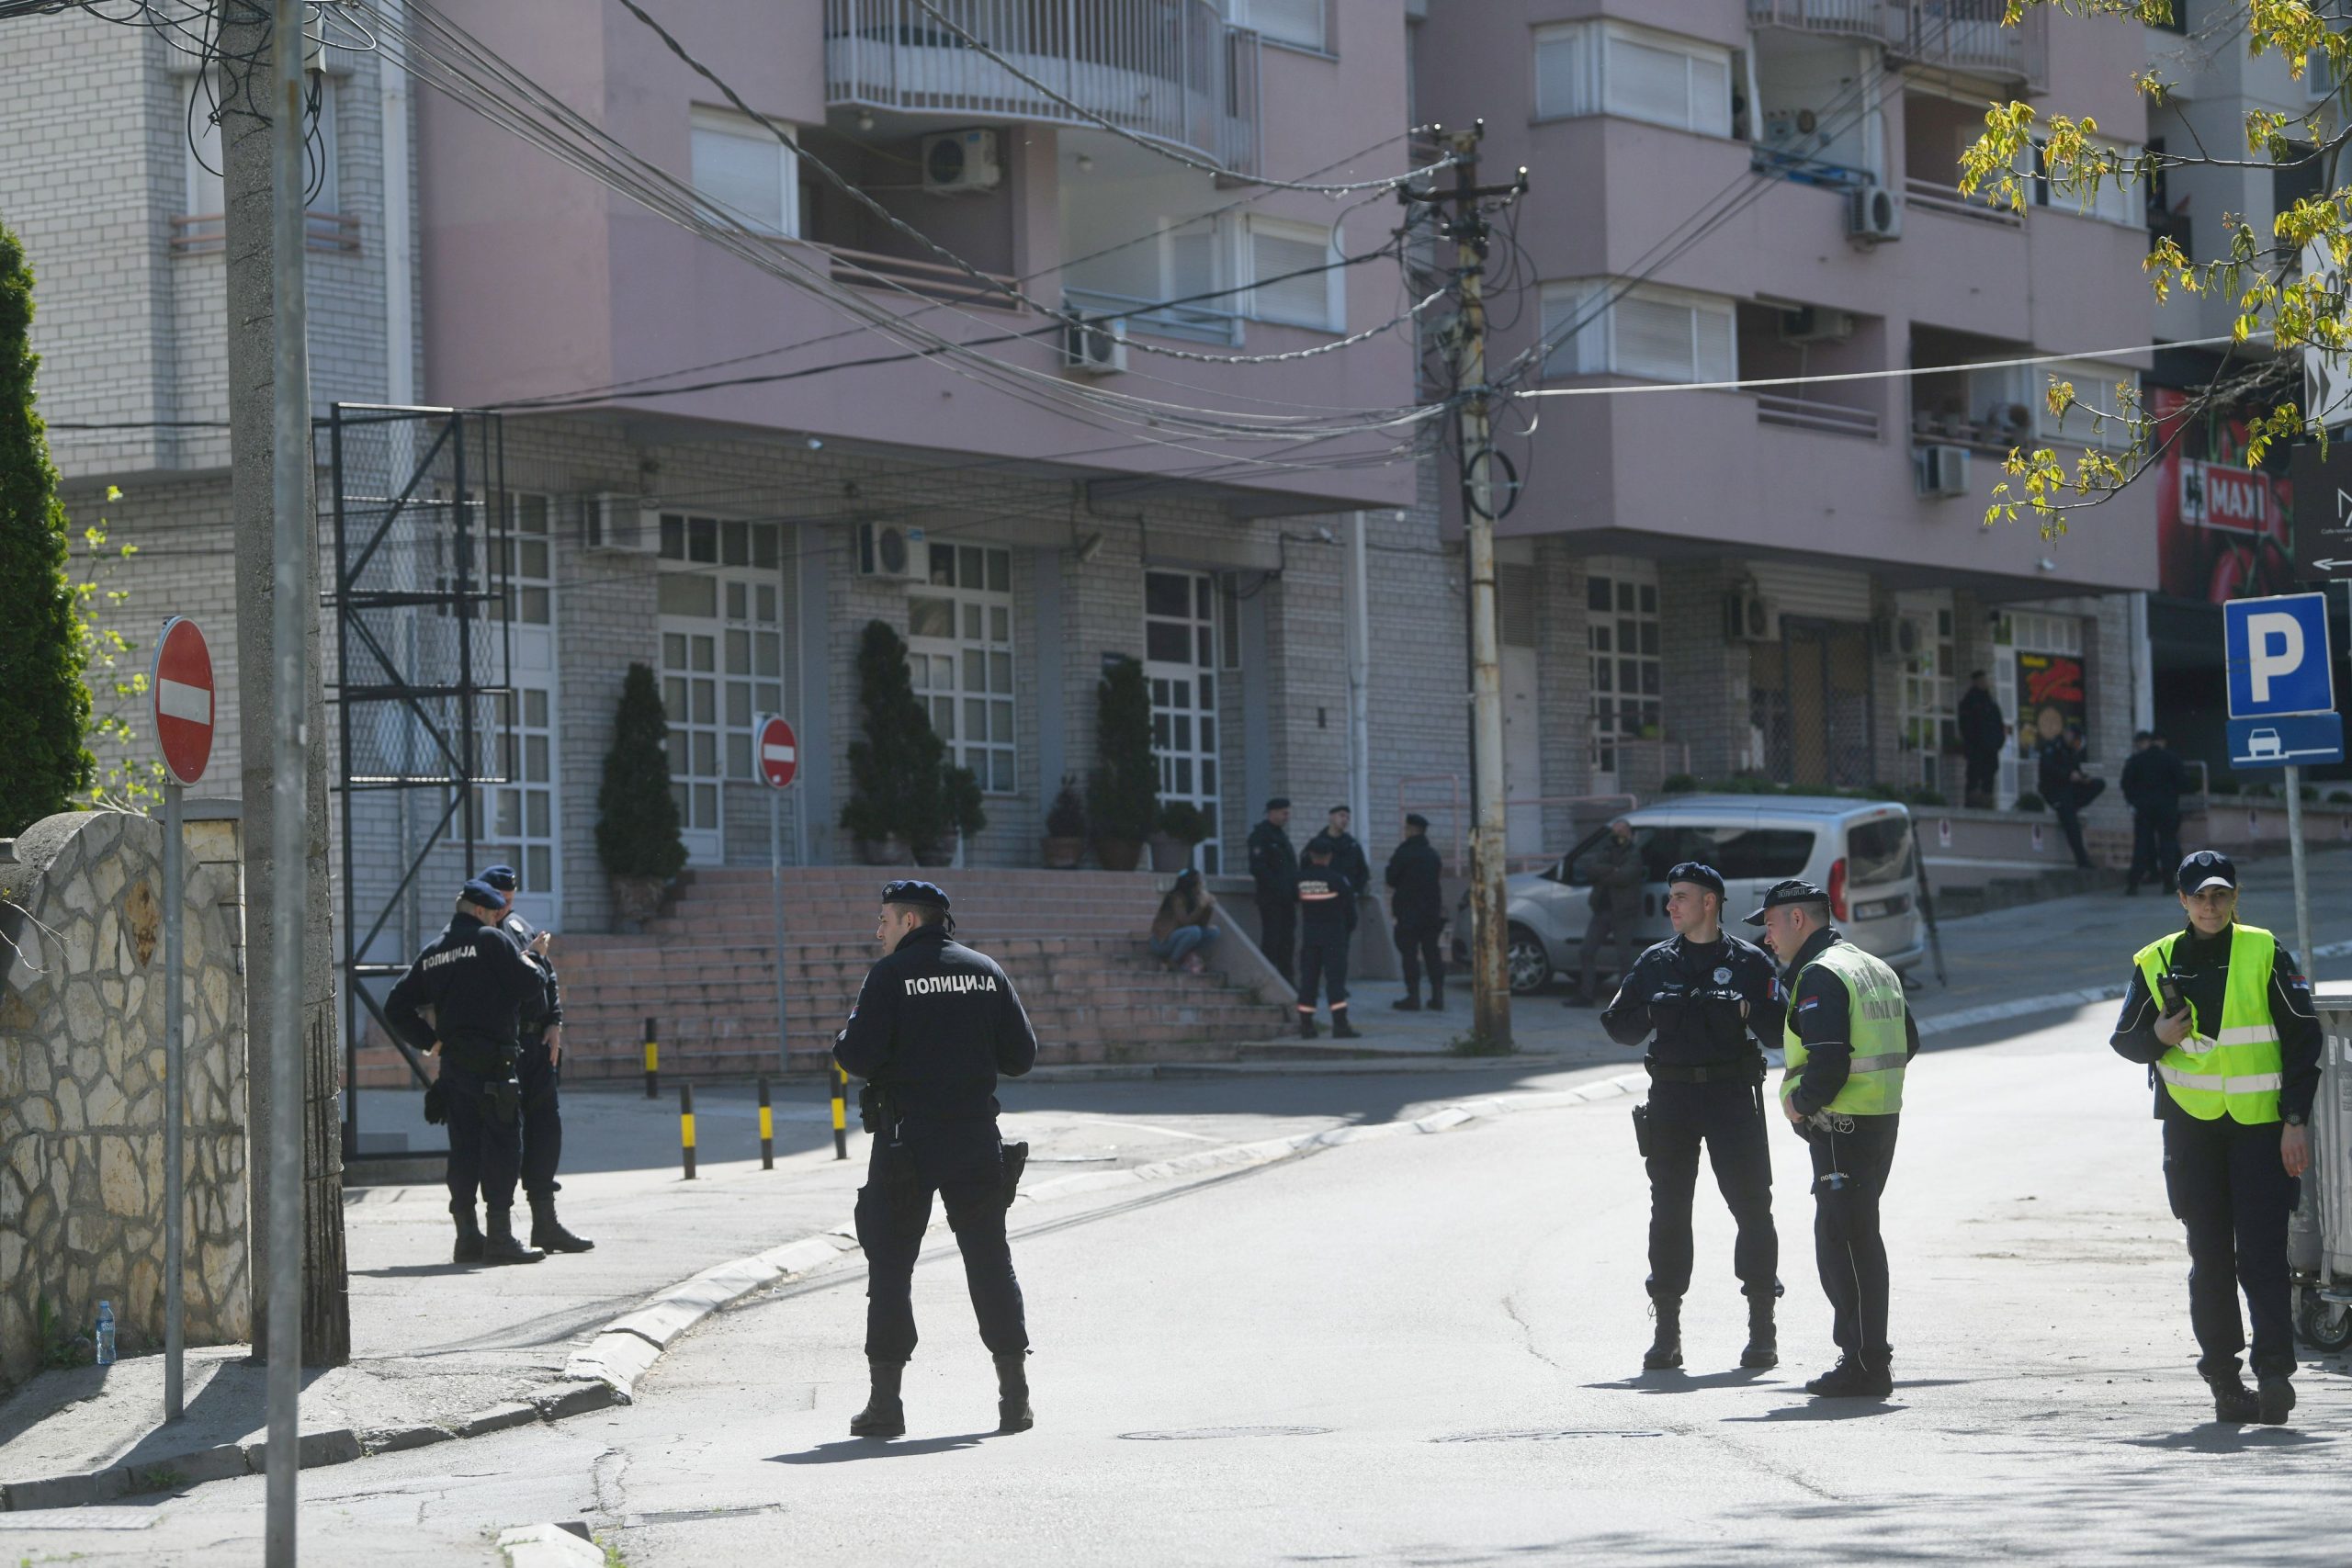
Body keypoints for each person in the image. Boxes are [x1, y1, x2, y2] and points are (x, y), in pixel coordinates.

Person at [2108, 851, 2319, 1426]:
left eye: (2220, 894)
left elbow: (2304, 1038)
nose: (2210, 905)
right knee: (2210, 1258)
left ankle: (2273, 1375)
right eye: (2199, 896)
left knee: (2262, 1254)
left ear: (2234, 897)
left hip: (2260, 1129)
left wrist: (2294, 1120)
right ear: (2182, 900)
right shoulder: (2156, 960)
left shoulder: (2263, 949)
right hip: (2191, 1131)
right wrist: (2157, 1036)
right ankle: (2225, 1382)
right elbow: (2125, 1040)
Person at [834, 880, 1039, 1438]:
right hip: (974, 1139)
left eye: (884, 919)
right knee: (989, 1260)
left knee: (891, 1267)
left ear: (908, 921)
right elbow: (1021, 1056)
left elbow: (856, 1054)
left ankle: (885, 1405)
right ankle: (1015, 1400)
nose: (878, 930)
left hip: (907, 1143)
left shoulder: (890, 975)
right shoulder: (985, 971)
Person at [1601, 863, 1786, 1372]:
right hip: (1673, 1097)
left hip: (1731, 1096)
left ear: (1710, 902)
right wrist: (1652, 1012)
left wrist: (1746, 1010)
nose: (1670, 906)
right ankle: (1667, 1332)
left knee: (1752, 1206)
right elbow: (1617, 1025)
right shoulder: (1656, 961)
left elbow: (1780, 1030)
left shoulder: (1749, 962)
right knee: (1669, 1209)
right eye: (1671, 897)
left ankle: (1762, 1327)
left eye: (1680, 896)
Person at [1749, 877, 1917, 1399]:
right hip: (1878, 1119)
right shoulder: (1872, 966)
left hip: (1841, 1126)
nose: (1768, 937)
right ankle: (1867, 1359)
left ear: (1798, 919)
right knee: (1858, 1238)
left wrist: (1799, 1104)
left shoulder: (1820, 974)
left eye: (1771, 925)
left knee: (1844, 1245)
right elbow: (1909, 1040)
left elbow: (1828, 1064)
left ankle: (1865, 1363)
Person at [385, 877, 548, 1266]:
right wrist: (537, 957)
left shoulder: (435, 951)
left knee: (464, 1150)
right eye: (493, 914)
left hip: (455, 1068)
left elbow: (395, 1006)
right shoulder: (490, 940)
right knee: (503, 1147)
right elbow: (530, 985)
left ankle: (467, 1238)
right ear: (479, 911)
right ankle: (501, 1238)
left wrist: (431, 1042)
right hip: (495, 1065)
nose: (497, 920)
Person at [479, 865, 593, 1254]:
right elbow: (516, 979)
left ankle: (546, 1222)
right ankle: (498, 1230)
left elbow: (549, 977)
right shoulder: (485, 936)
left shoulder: (518, 925)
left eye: (510, 900)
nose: (504, 907)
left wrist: (555, 1021)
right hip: (506, 1045)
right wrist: (533, 957)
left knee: (546, 1130)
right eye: (499, 900)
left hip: (537, 1042)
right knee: (507, 1136)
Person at [1571, 818, 1644, 1008]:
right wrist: (1613, 870)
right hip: (1602, 910)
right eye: (1615, 832)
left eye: (1621, 832)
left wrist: (1605, 873)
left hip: (1623, 912)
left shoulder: (1634, 852)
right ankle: (1586, 995)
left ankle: (1625, 999)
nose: (1618, 835)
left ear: (1629, 834)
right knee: (1586, 951)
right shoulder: (1606, 849)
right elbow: (1591, 869)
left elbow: (1625, 876)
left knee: (1624, 957)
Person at [1295, 842, 1360, 1039]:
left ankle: (1306, 1025)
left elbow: (1292, 899)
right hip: (1334, 937)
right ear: (1329, 856)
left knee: (1308, 981)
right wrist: (1346, 930)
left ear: (1311, 855)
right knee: (1335, 982)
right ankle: (1340, 1025)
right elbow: (1350, 911)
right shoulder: (1337, 879)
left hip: (1311, 937)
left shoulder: (1301, 879)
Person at [1385, 813, 1446, 1012]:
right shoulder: (1433, 855)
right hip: (1431, 912)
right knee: (1432, 953)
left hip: (1408, 912)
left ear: (1411, 830)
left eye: (1406, 828)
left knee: (1409, 955)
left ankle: (1413, 997)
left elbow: (1391, 878)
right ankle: (1438, 996)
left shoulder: (1403, 853)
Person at [2120, 731, 2188, 896]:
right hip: (2167, 807)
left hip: (2143, 808)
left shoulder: (2137, 759)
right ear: (2162, 742)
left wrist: (2134, 801)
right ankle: (2168, 882)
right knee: (2167, 844)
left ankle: (2133, 883)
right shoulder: (2171, 759)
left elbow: (2126, 783)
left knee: (2141, 844)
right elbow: (2183, 782)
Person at [2037, 722, 2107, 871]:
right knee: (2072, 824)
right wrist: (2068, 775)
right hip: (2055, 791)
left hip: (2070, 790)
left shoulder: (2071, 751)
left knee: (2099, 784)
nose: (2074, 741)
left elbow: (2076, 769)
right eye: (2074, 737)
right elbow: (2049, 769)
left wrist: (2082, 778)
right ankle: (2082, 860)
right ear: (2067, 733)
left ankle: (2074, 805)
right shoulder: (2052, 748)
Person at [1247, 798, 1299, 987]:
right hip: (1271, 898)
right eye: (1284, 813)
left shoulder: (1281, 837)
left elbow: (1290, 868)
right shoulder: (1261, 836)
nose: (1287, 816)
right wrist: (1278, 887)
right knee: (1272, 939)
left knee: (1287, 940)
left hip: (1287, 899)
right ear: (1272, 812)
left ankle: (1287, 980)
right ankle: (1268, 981)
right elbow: (1258, 868)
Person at [1306, 804, 1370, 933]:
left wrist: (1355, 890)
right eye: (1342, 816)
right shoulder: (1318, 843)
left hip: (1344, 900)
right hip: (1321, 900)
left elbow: (1363, 871)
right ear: (1331, 817)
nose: (1345, 820)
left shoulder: (1352, 845)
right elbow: (1306, 868)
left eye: (1348, 817)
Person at [1149, 868, 1220, 975]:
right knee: (1194, 932)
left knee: (1214, 932)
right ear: (1192, 885)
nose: (1202, 885)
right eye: (1199, 882)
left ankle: (1189, 958)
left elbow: (1201, 924)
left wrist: (1208, 907)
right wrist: (1200, 907)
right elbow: (1185, 922)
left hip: (1181, 935)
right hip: (1162, 942)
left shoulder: (1194, 898)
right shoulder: (1176, 898)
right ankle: (1171, 962)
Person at [1958, 671, 2008, 808]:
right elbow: (1965, 726)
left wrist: (1998, 742)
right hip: (1975, 749)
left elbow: (1998, 724)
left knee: (1988, 778)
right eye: (1982, 681)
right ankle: (1972, 803)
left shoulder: (1991, 703)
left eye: (1985, 681)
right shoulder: (1969, 702)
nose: (1984, 683)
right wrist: (1973, 742)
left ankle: (1987, 803)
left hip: (1990, 749)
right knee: (1973, 777)